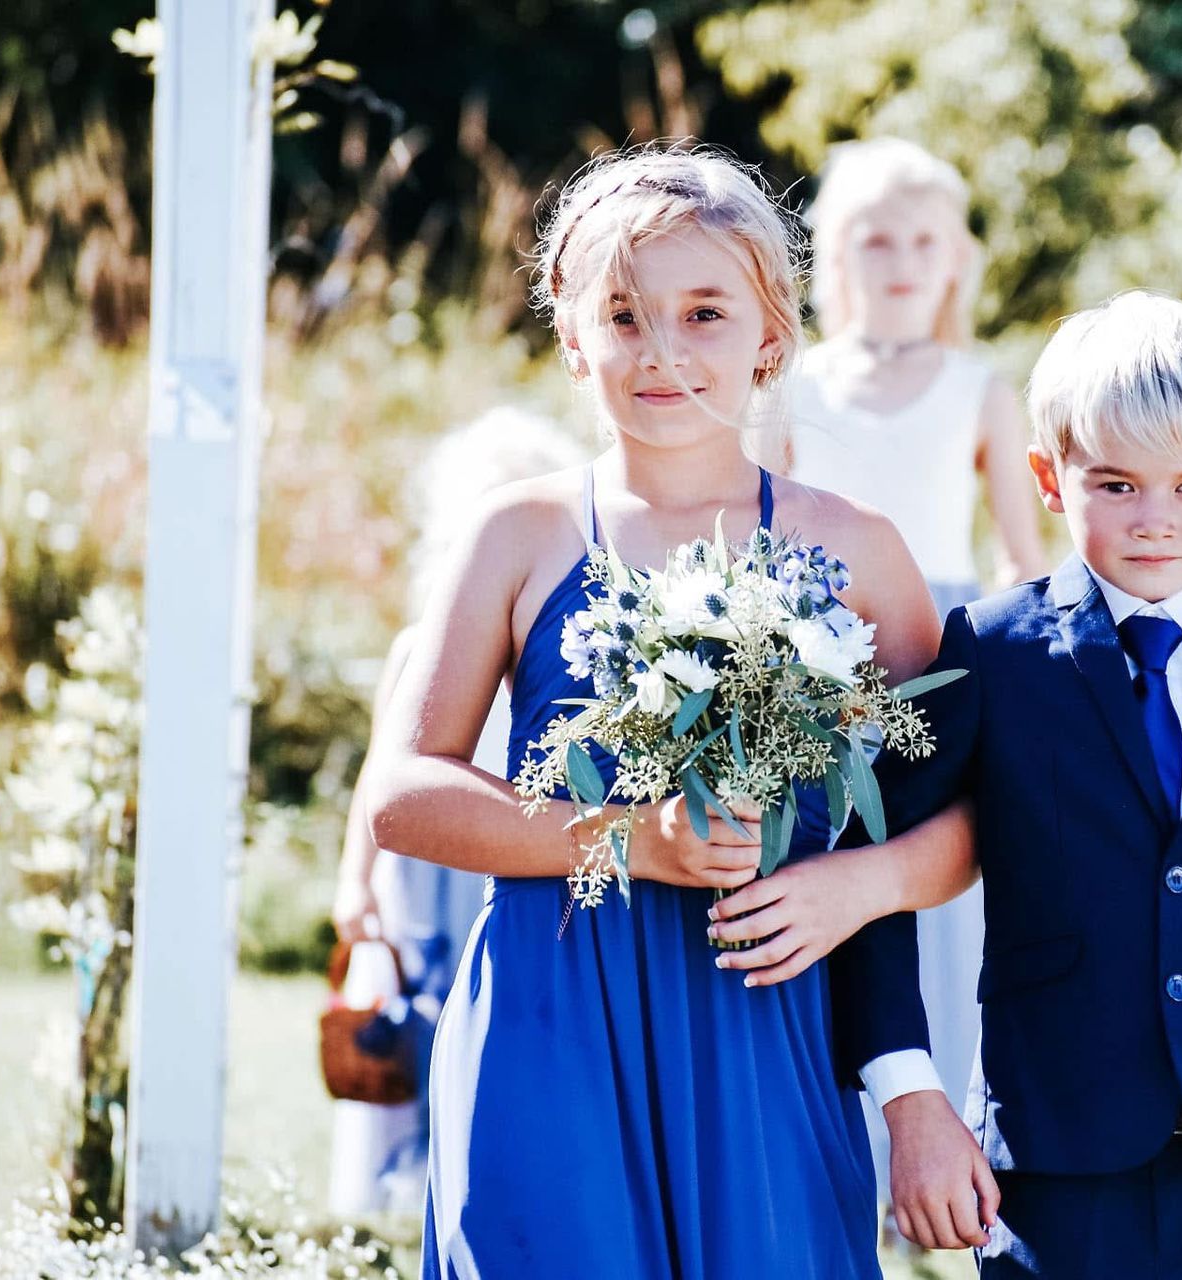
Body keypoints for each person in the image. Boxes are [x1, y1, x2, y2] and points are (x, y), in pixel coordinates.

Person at [362, 143, 978, 1278]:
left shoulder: (860, 553)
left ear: (773, 332)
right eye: (625, 315)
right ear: (570, 328)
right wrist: (627, 839)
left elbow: (966, 818)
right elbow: (404, 797)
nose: (663, 352)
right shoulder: (522, 533)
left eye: (704, 312)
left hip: (767, 1032)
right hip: (550, 1033)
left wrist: (859, 883)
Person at [714, 291, 1182, 1278]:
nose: (1155, 519)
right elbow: (872, 867)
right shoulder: (990, 654)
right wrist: (908, 1090)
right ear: (1048, 476)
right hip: (1055, 1158)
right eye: (1118, 484)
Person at [778, 139, 1046, 1207]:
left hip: (946, 663)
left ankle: (958, 1153)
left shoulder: (979, 386)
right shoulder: (795, 385)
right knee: (841, 875)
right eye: (876, 239)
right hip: (820, 664)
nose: (900, 260)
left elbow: (1025, 557)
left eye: (923, 240)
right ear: (837, 254)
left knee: (944, 895)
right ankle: (848, 1150)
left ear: (955, 259)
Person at [328, 407, 584, 1216]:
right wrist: (355, 882)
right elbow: (382, 771)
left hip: (514, 853)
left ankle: (496, 1155)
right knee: (423, 1004)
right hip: (428, 865)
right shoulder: (421, 645)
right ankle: (414, 1163)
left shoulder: (566, 649)